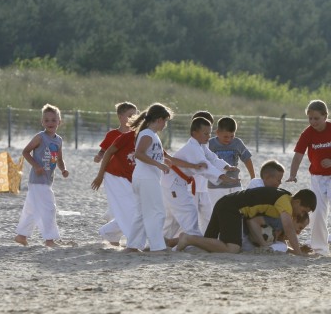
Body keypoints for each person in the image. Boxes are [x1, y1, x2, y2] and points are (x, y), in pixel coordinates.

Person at [287, 100, 331, 258]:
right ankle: (319, 248)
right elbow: (298, 156)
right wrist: (293, 174)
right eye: (310, 118)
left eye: (316, 118)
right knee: (317, 210)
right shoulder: (307, 133)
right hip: (317, 176)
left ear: (325, 116)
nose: (313, 122)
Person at [161, 116, 239, 242]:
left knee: (173, 219)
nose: (208, 136)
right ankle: (194, 242)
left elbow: (212, 158)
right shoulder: (193, 148)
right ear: (194, 133)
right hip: (173, 183)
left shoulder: (200, 146)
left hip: (175, 183)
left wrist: (226, 167)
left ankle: (159, 242)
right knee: (189, 211)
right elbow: (205, 167)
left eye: (209, 133)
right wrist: (224, 178)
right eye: (205, 133)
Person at [176, 187, 316, 255]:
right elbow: (289, 228)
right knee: (232, 248)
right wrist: (299, 253)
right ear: (297, 202)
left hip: (225, 203)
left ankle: (175, 242)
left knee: (208, 245)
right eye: (303, 210)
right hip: (233, 208)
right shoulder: (285, 202)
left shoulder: (283, 197)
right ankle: (187, 238)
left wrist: (295, 250)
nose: (301, 214)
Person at [14, 104, 69, 247]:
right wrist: (36, 166)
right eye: (47, 120)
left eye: (53, 120)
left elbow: (59, 159)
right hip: (38, 180)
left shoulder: (58, 140)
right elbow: (26, 152)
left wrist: (63, 169)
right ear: (42, 122)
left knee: (32, 210)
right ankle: (49, 240)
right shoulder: (40, 137)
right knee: (49, 208)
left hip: (47, 180)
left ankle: (21, 236)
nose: (50, 123)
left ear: (59, 122)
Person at [125, 103, 173, 253]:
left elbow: (149, 154)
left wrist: (163, 160)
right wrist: (159, 165)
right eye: (165, 121)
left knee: (141, 213)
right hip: (146, 178)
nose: (165, 125)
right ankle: (157, 246)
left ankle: (133, 245)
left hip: (143, 178)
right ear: (159, 119)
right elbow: (139, 154)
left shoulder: (151, 134)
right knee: (157, 212)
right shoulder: (147, 134)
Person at [90, 102, 140, 247]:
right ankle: (133, 240)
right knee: (129, 208)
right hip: (115, 176)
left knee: (134, 207)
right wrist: (99, 157)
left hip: (131, 176)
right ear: (120, 117)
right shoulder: (113, 134)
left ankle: (109, 232)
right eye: (130, 115)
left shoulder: (138, 135)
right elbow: (104, 150)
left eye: (136, 115)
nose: (134, 118)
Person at [207, 116, 255, 209]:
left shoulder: (237, 143)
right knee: (217, 211)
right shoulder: (210, 144)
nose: (229, 139)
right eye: (225, 137)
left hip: (235, 184)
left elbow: (247, 159)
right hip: (215, 186)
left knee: (238, 210)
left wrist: (252, 177)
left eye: (232, 136)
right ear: (217, 132)